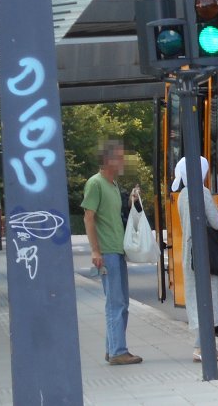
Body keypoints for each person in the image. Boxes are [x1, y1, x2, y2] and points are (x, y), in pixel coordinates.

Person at [81, 139, 142, 365]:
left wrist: (131, 201)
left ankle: (113, 348)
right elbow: (89, 217)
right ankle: (118, 351)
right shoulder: (95, 184)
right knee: (115, 303)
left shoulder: (114, 185)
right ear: (107, 160)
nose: (122, 161)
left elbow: (113, 215)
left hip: (117, 250)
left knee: (121, 302)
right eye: (119, 157)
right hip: (106, 252)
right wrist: (95, 251)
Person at [171, 156, 218, 362]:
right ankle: (201, 347)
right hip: (208, 253)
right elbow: (215, 223)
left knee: (198, 297)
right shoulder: (203, 193)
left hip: (190, 252)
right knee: (210, 298)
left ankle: (209, 347)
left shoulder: (181, 195)